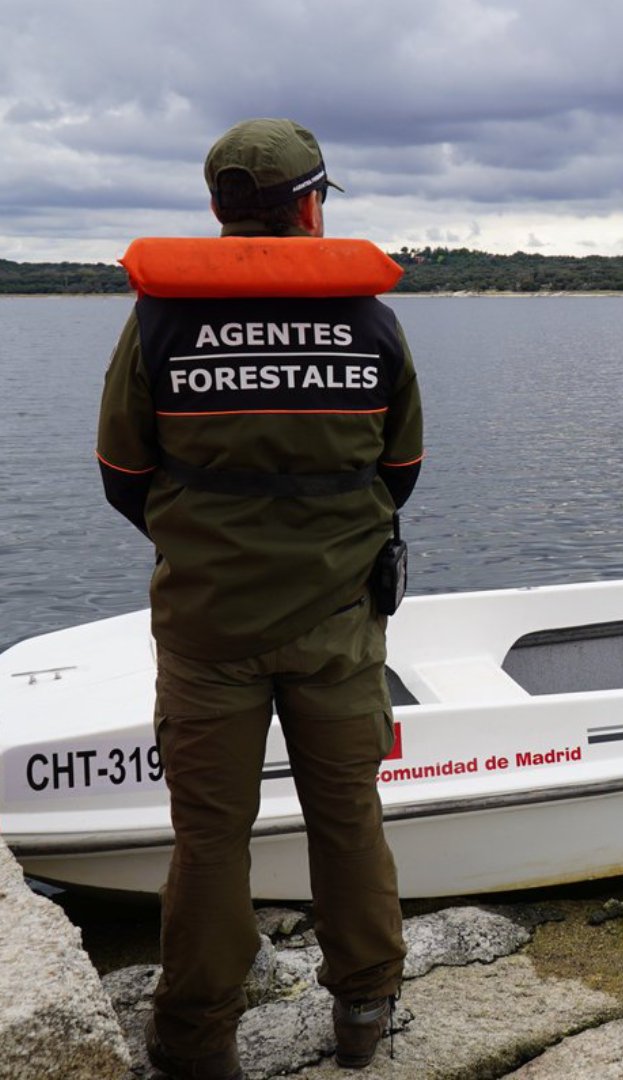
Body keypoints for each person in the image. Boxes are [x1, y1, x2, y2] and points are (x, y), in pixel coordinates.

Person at [96, 118, 423, 1080]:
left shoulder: (159, 318)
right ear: (312, 206)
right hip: (337, 625)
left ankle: (197, 1042)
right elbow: (401, 468)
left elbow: (123, 471)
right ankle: (364, 1008)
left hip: (205, 626)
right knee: (348, 815)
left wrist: (208, 541)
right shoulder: (368, 319)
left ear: (217, 212)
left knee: (207, 840)